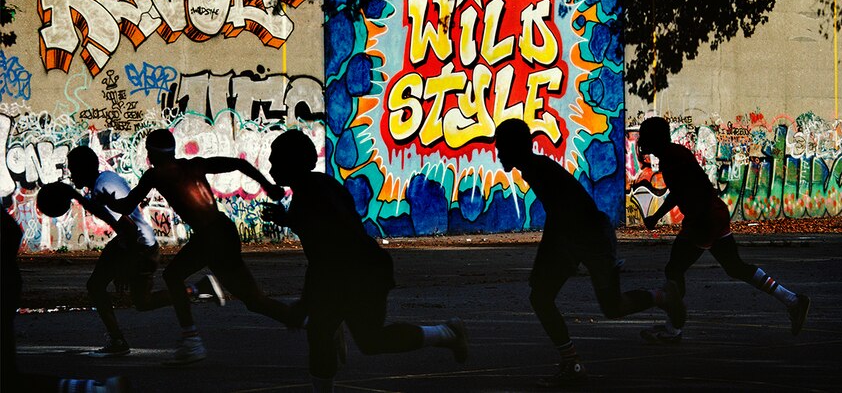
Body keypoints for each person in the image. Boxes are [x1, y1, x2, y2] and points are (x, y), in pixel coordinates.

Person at [261, 129, 468, 393]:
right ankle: (447, 334)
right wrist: (289, 219)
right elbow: (327, 232)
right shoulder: (315, 187)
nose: (270, 167)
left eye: (275, 160)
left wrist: (306, 301)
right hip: (354, 270)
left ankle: (448, 334)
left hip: (361, 272)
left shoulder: (312, 193)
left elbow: (328, 248)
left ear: (293, 162)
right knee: (323, 334)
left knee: (368, 340)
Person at [493, 118, 685, 388]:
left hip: (589, 236)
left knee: (605, 305)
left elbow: (564, 212)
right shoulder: (534, 167)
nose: (498, 152)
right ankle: (572, 362)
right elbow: (562, 211)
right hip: (581, 236)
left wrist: (551, 257)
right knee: (545, 298)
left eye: (501, 146)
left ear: (514, 147)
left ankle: (662, 297)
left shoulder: (538, 169)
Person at [103, 129, 296, 366]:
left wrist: (109, 202)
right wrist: (267, 185)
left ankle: (192, 341)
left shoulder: (155, 176)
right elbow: (238, 163)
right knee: (253, 300)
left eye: (148, 151)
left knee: (173, 275)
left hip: (210, 237)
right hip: (224, 230)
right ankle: (307, 321)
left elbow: (126, 205)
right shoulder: (193, 165)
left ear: (152, 153)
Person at [637, 116, 810, 343]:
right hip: (714, 212)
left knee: (674, 270)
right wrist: (656, 217)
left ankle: (672, 329)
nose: (642, 141)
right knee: (735, 267)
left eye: (646, 136)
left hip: (703, 219)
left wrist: (655, 217)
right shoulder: (675, 154)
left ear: (654, 139)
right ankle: (792, 300)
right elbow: (681, 191)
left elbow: (680, 193)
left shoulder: (671, 159)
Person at [52, 146, 225, 358]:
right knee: (140, 301)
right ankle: (197, 289)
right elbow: (111, 216)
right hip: (135, 242)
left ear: (83, 169)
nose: (71, 173)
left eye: (73, 169)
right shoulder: (105, 178)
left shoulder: (101, 188)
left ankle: (118, 341)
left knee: (103, 288)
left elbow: (129, 228)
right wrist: (77, 197)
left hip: (137, 246)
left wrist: (126, 267)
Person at [1, 202, 129, 393]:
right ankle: (92, 388)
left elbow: (12, 233)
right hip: (8, 281)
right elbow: (12, 232)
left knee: (6, 380)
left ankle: (95, 389)